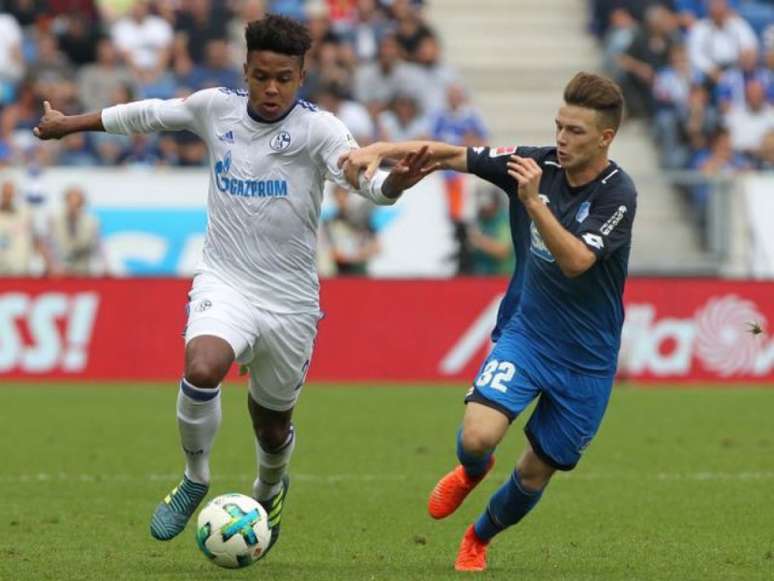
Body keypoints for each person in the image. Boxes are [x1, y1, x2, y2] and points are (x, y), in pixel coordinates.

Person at [33, 13, 434, 557]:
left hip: (291, 303)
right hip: (225, 280)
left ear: (302, 75)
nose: (271, 89)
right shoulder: (214, 108)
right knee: (202, 366)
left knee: (271, 427)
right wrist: (68, 125)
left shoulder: (320, 130)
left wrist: (394, 185)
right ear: (245, 69)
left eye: (284, 78)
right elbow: (149, 114)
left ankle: (270, 489)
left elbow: (360, 178)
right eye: (262, 75)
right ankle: (195, 477)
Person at [340, 72, 637, 572]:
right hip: (528, 335)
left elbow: (576, 261)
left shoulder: (617, 193)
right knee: (477, 436)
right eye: (559, 126)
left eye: (576, 132)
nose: (562, 139)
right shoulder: (533, 163)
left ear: (605, 137)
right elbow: (450, 154)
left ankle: (478, 537)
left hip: (587, 362)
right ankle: (473, 470)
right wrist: (383, 148)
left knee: (536, 472)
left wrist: (534, 203)